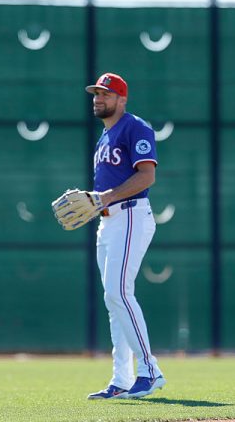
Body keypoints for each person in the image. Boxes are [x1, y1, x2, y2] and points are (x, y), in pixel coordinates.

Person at [84, 73, 166, 400]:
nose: (98, 98)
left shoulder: (135, 127)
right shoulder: (104, 137)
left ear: (122, 99)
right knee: (112, 298)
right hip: (108, 222)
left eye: (105, 94)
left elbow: (147, 176)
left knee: (119, 291)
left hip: (131, 214)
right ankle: (121, 379)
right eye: (96, 94)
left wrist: (105, 197)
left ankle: (150, 370)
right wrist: (94, 201)